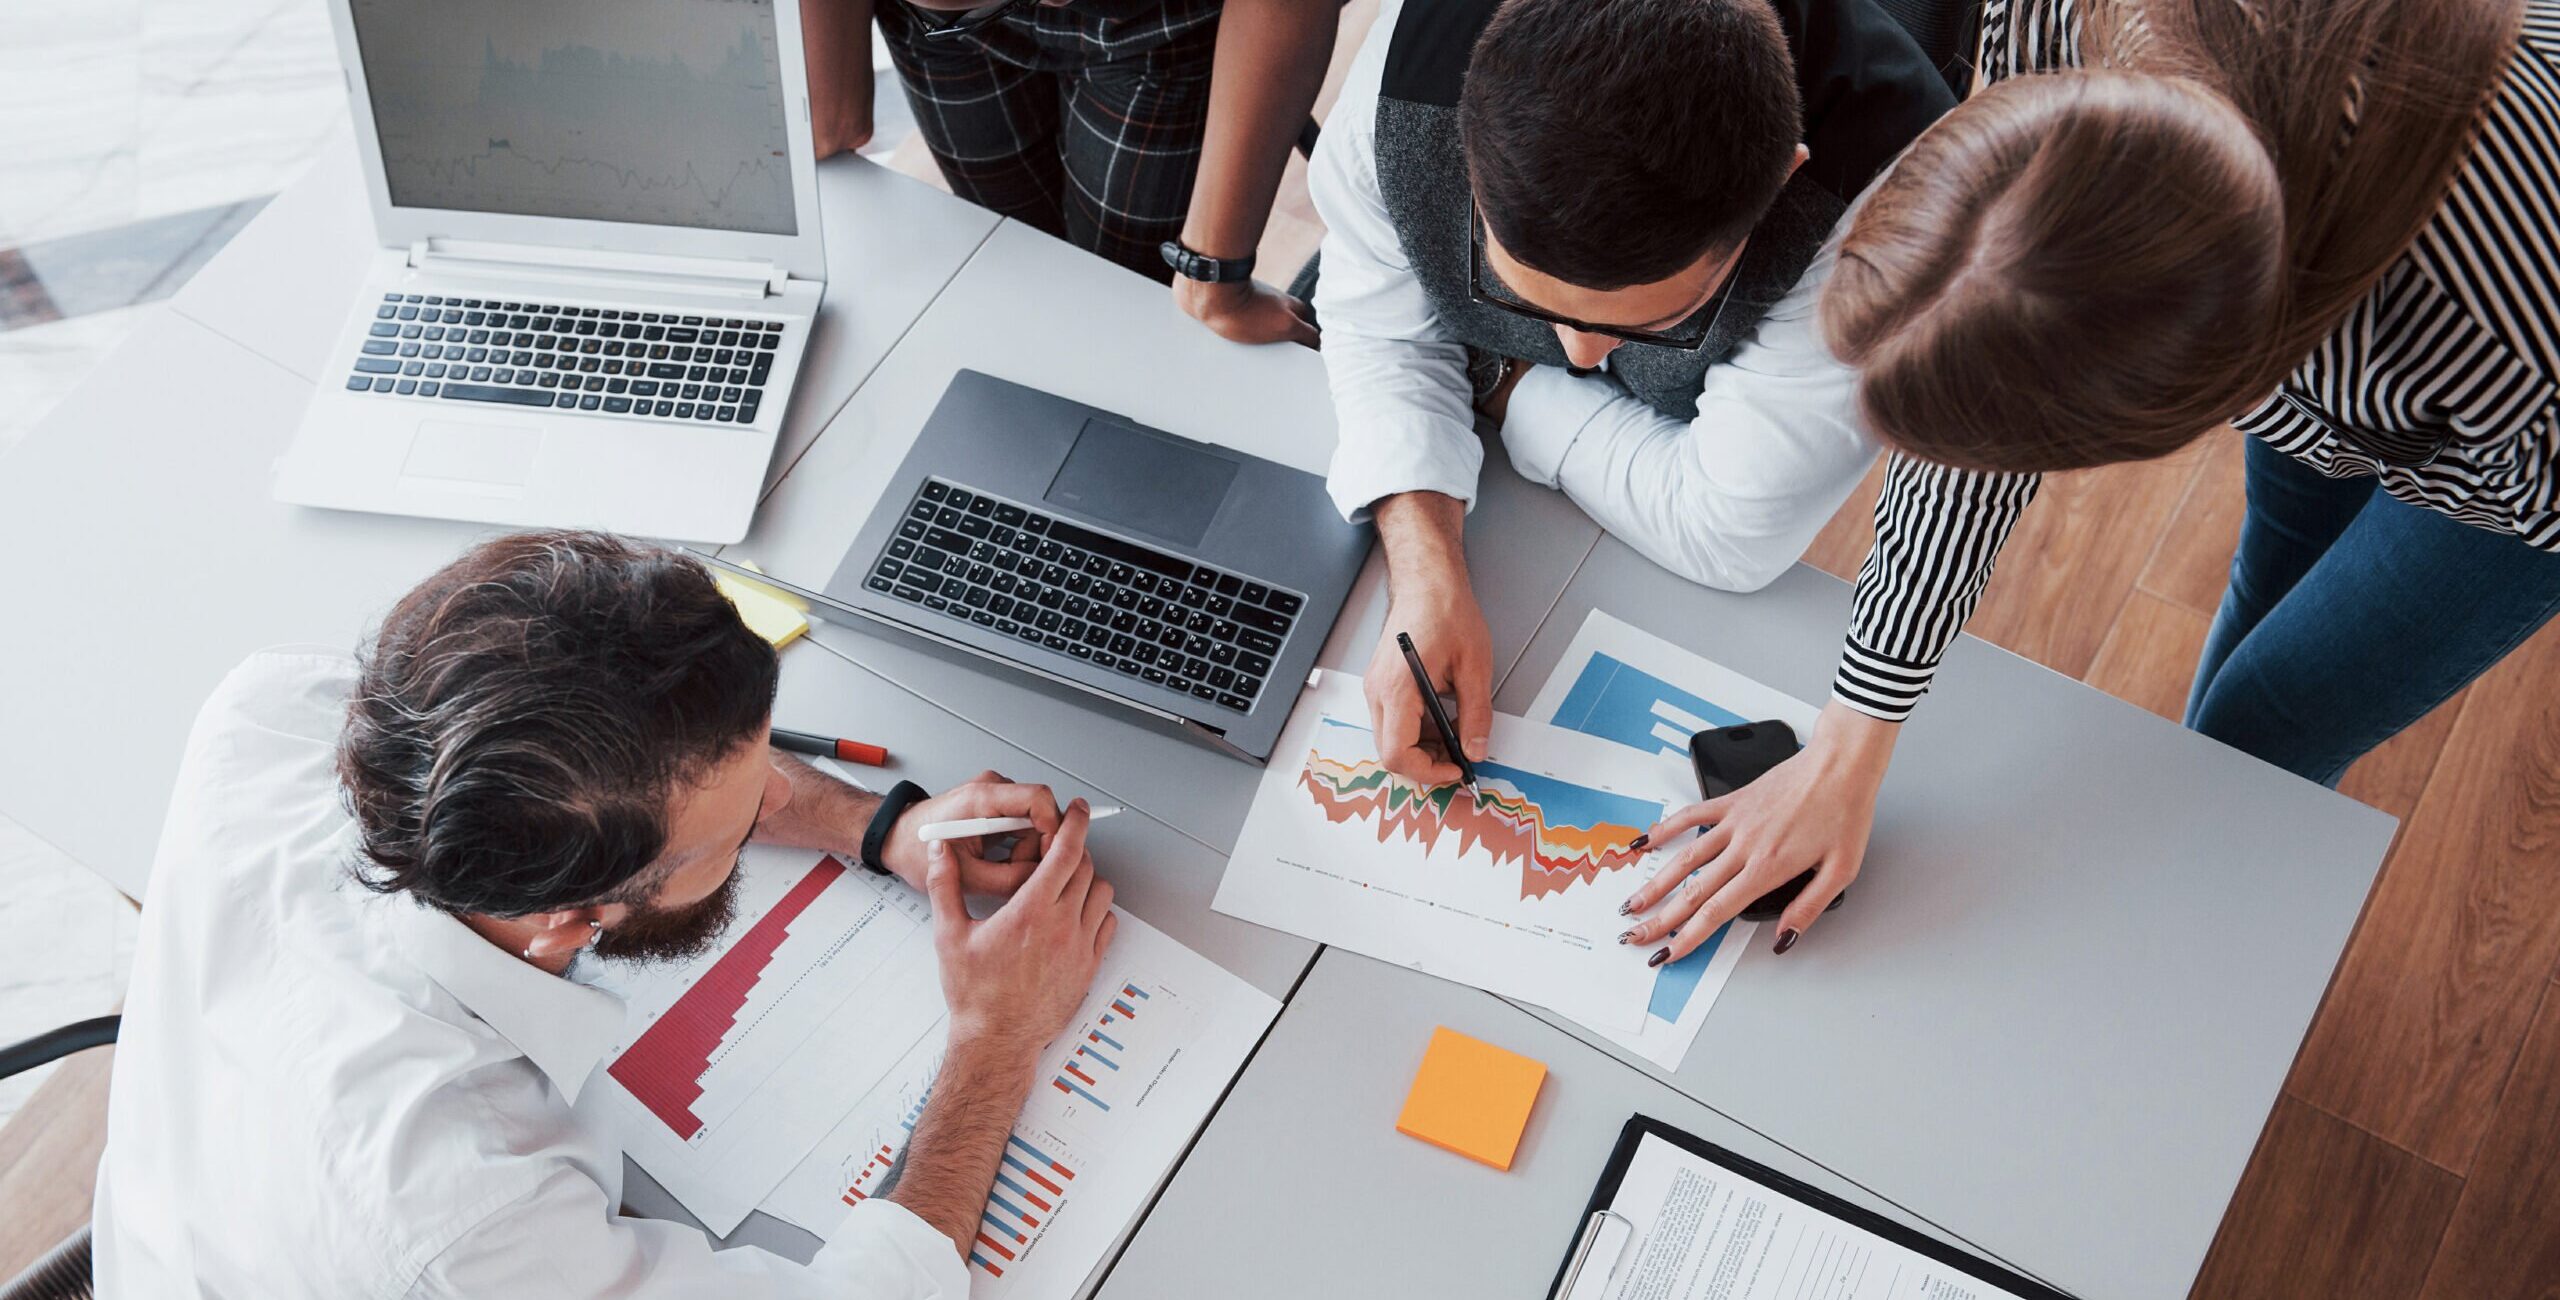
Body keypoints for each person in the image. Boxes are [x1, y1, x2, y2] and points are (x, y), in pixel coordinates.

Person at [1626, 0, 2560, 960]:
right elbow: (2000, 325)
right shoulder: (2053, 21)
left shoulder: (2501, 334)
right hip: (2345, 315)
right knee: (2280, 538)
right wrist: (1849, 737)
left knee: (2264, 724)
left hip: (2526, 478)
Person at [93, 531, 1117, 1296]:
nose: (775, 800)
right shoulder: (473, 1218)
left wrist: (875, 822)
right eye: (731, 832)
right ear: (569, 920)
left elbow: (627, 735)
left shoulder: (274, 712)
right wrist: (995, 1037)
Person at [1311, 0, 1952, 959]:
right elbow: (1370, 322)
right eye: (1527, 297)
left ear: (1784, 177)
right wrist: (1427, 565)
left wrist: (1495, 373)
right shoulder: (1407, 74)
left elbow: (1725, 529)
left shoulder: (1891, 196)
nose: (1571, 354)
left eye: (1646, 319)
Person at [803, 0, 1337, 345]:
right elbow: (829, 123)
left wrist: (1212, 277)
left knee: (1119, 309)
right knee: (1021, 267)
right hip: (941, 28)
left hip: (1158, 27)